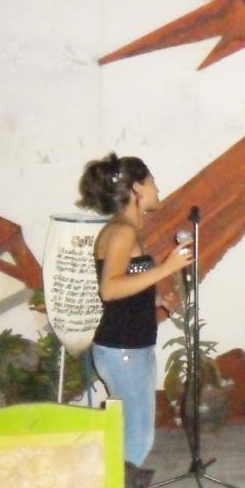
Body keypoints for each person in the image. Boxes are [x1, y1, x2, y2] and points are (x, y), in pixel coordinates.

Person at [78, 153, 191, 467]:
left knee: (133, 435)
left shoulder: (123, 229)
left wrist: (153, 302)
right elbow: (110, 288)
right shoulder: (122, 231)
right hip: (123, 350)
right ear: (136, 189)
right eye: (151, 181)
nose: (157, 188)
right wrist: (167, 268)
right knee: (137, 439)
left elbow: (125, 285)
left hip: (128, 347)